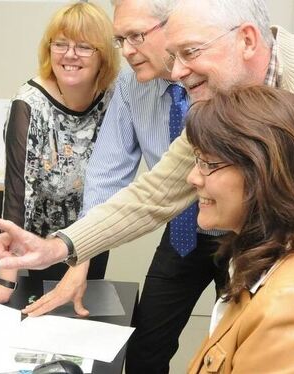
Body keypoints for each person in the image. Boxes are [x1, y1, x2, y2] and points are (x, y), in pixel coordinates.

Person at [0, 0, 294, 346]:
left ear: (245, 39)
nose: (179, 71)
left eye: (190, 52)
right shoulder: (216, 105)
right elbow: (153, 194)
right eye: (174, 56)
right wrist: (57, 247)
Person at [21, 1, 227, 372]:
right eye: (121, 39)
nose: (128, 50)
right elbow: (106, 176)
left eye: (136, 36)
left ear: (173, 28)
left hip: (245, 234)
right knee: (147, 346)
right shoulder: (131, 86)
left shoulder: (215, 75)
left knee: (237, 348)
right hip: (183, 230)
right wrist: (77, 259)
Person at [184, 86, 294, 372]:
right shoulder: (261, 263)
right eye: (197, 159)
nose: (192, 177)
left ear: (263, 174)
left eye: (208, 163)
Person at [0, 1, 119, 304]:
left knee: (87, 317)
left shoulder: (114, 98)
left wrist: (84, 253)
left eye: (84, 46)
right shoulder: (29, 105)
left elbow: (110, 182)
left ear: (103, 54)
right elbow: (19, 195)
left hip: (92, 235)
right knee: (44, 315)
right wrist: (5, 283)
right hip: (39, 242)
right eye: (60, 44)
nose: (70, 54)